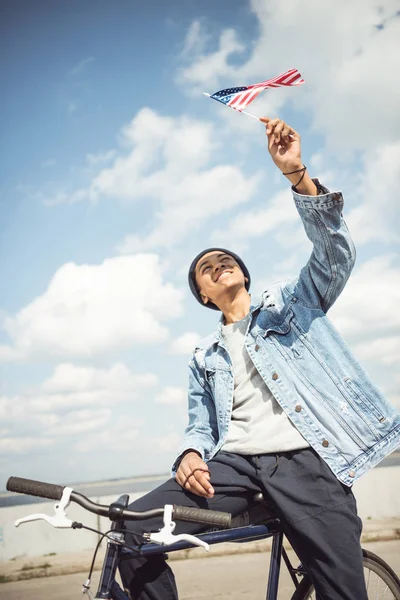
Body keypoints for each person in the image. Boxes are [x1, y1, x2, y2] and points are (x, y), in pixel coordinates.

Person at [119, 117, 400, 600]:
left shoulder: (292, 305)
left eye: (225, 259)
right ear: (205, 296)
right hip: (234, 467)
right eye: (205, 269)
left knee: (343, 591)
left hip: (307, 462)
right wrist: (188, 454)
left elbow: (337, 255)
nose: (217, 264)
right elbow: (201, 426)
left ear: (243, 275)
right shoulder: (203, 354)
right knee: (131, 531)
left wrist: (298, 176)